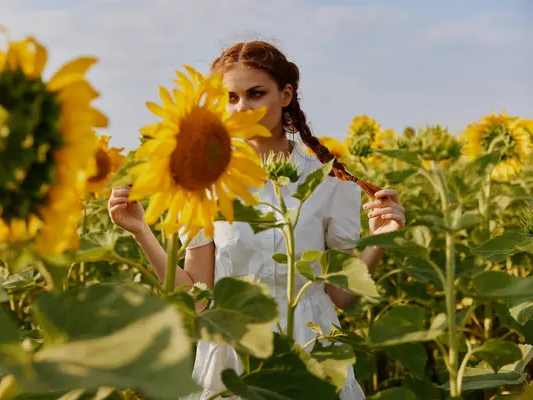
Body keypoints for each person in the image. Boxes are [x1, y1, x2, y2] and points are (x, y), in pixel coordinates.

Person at [109, 41, 405, 400]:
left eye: (255, 94)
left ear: (285, 94)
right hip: (234, 351)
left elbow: (339, 296)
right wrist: (142, 232)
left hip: (311, 347)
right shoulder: (204, 180)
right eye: (230, 98)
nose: (241, 108)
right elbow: (198, 298)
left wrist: (378, 240)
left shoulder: (328, 180)